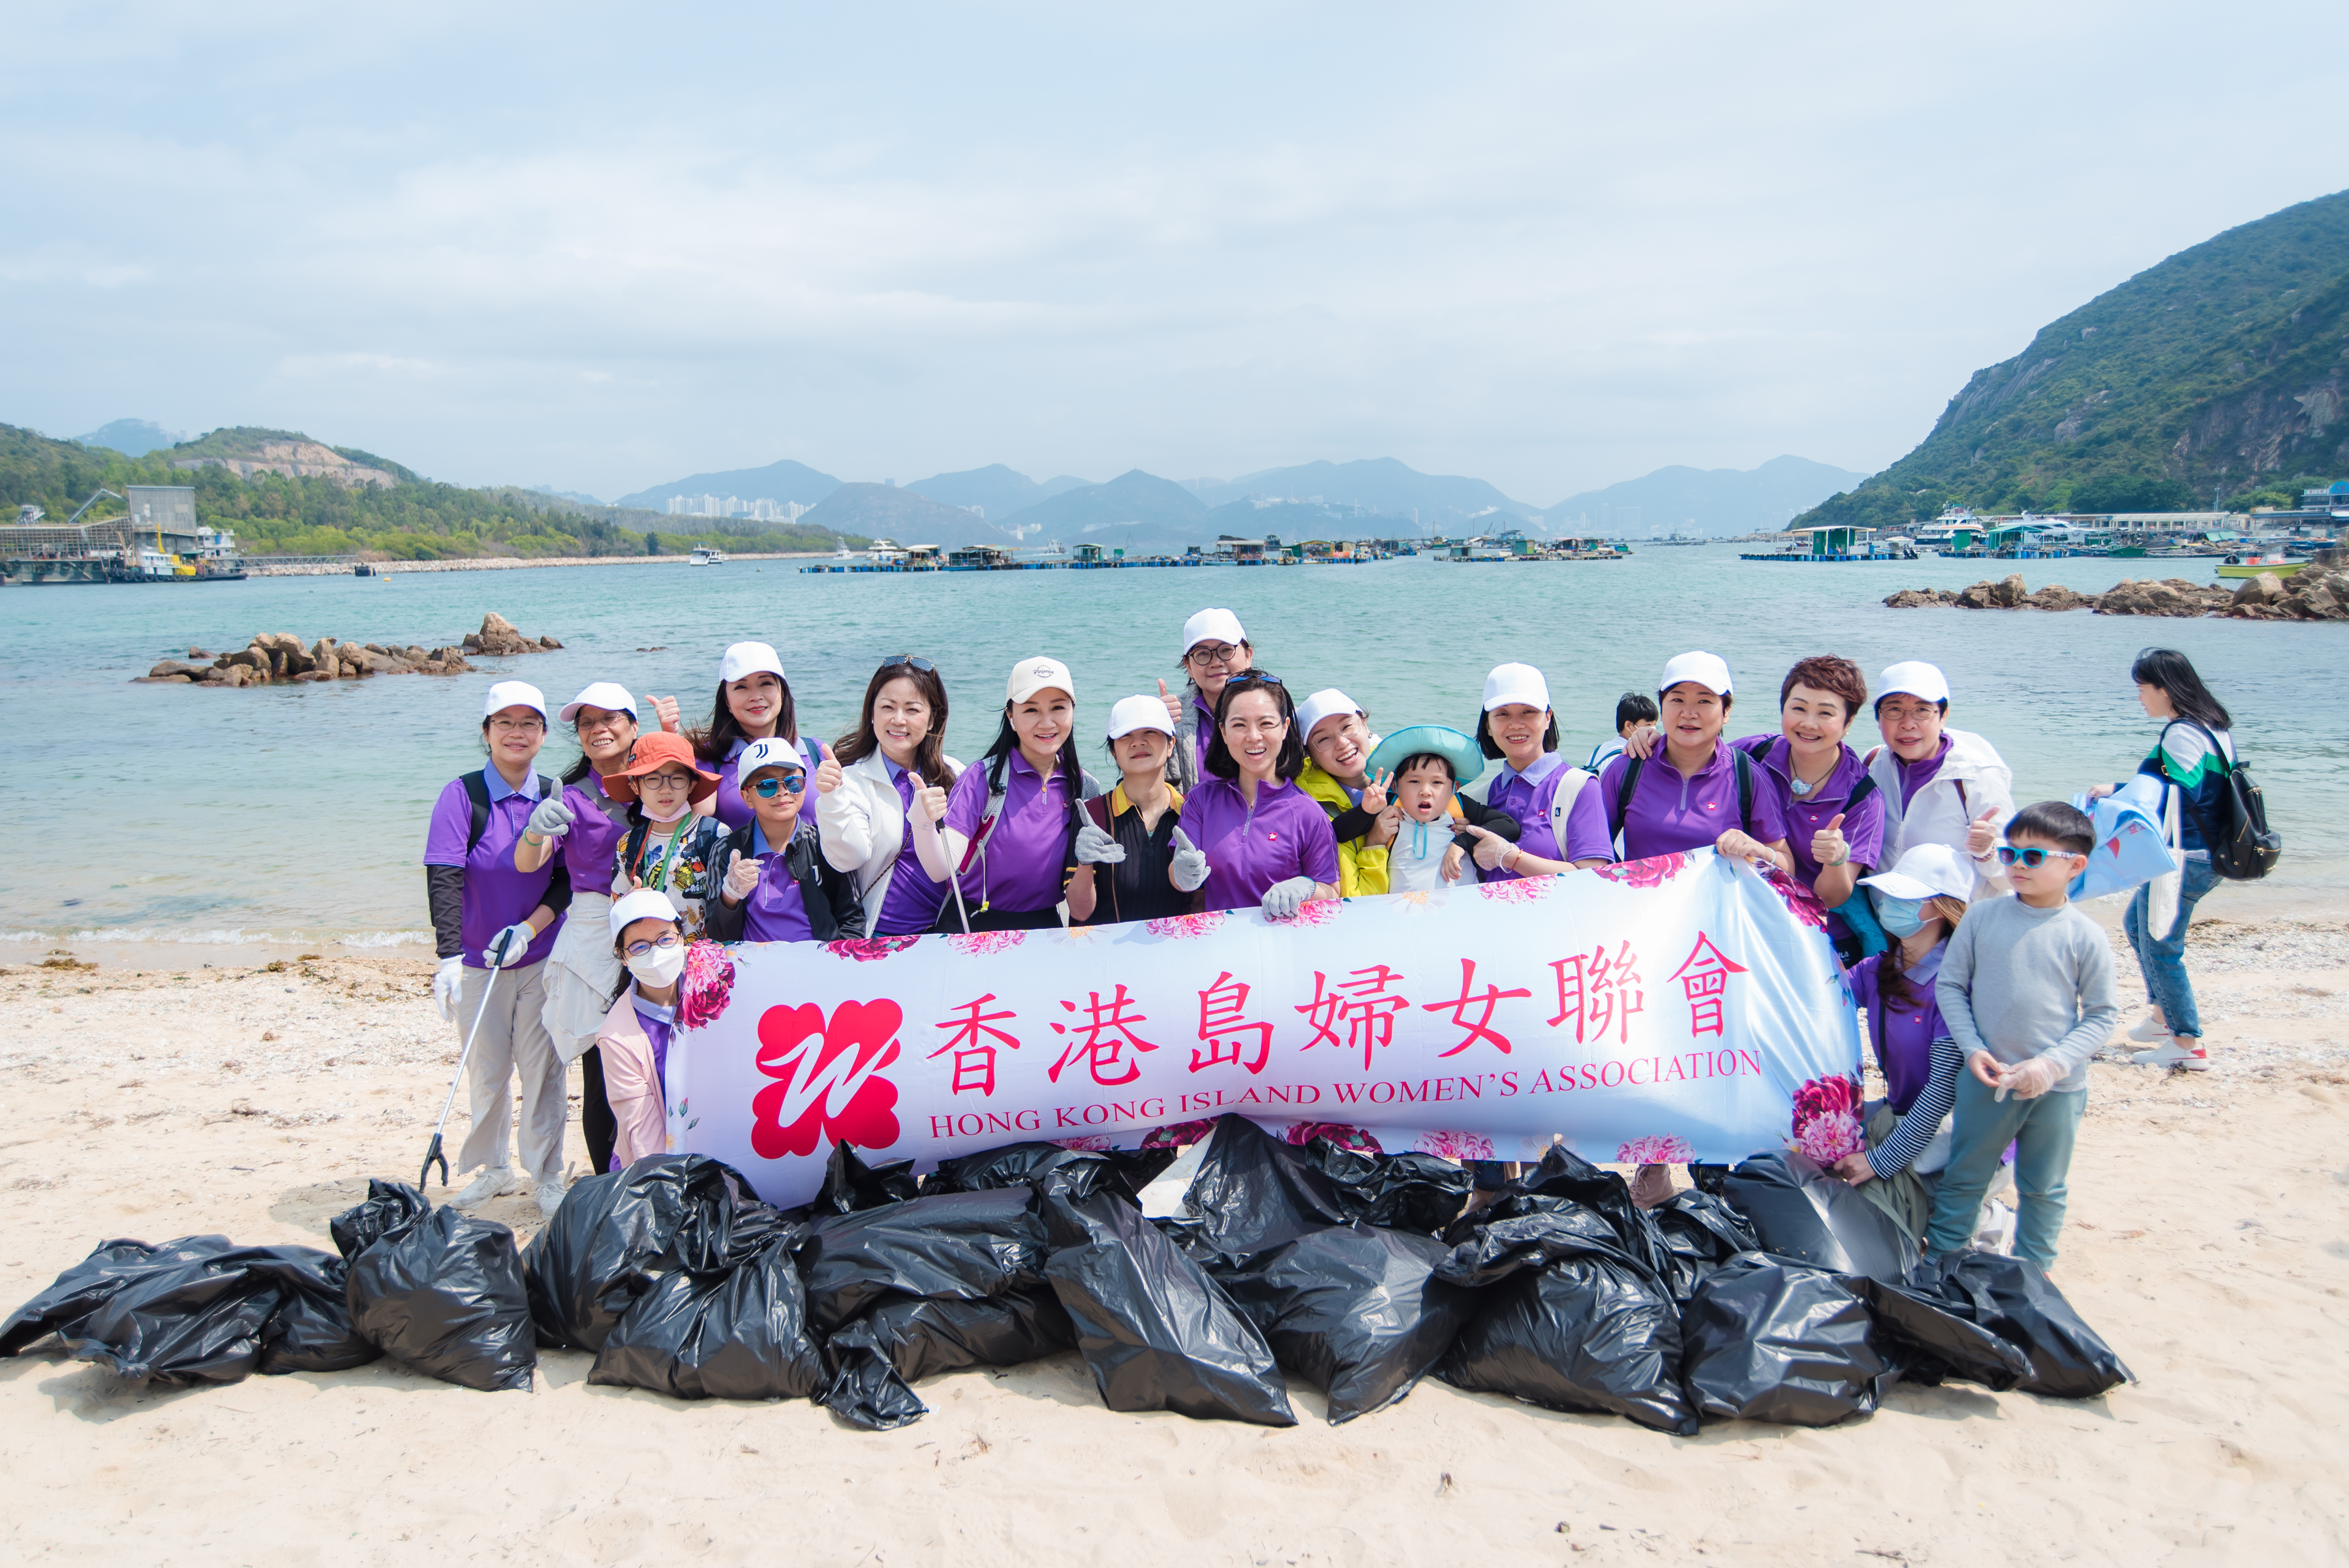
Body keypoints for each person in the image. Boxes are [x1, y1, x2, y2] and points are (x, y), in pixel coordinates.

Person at [1923, 801, 2119, 1272]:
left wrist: (2050, 1065)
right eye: (2010, 854)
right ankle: (1942, 1265)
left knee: (2043, 1186)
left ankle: (2034, 1277)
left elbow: (2101, 1016)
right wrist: (1973, 1049)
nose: (2015, 865)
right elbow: (1950, 985)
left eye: (2033, 857)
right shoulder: (1981, 916)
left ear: (2075, 864)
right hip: (1986, 1079)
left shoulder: (2085, 935)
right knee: (1965, 1176)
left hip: (2058, 1088)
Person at [420, 681, 576, 1218]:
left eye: (528, 722)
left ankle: (548, 1174)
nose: (517, 732)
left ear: (543, 733)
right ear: (486, 733)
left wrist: (530, 930)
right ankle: (495, 1168)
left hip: (540, 956)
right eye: (504, 722)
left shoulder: (555, 792)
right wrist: (447, 958)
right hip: (477, 960)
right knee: (487, 1069)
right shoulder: (462, 795)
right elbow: (443, 876)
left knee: (544, 1069)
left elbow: (565, 881)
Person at [512, 682, 681, 1177]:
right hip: (592, 933)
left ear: (633, 727)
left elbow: (696, 815)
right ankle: (609, 1185)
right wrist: (536, 827)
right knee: (601, 1064)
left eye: (610, 719)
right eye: (586, 722)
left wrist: (671, 734)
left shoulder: (655, 779)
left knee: (666, 1053)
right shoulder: (568, 792)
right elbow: (531, 864)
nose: (598, 729)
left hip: (659, 925)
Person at [2090, 647, 2237, 1073]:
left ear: (2165, 689)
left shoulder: (2183, 734)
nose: (2139, 697)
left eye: (2142, 688)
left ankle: (2186, 1041)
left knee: (2160, 943)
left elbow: (2179, 796)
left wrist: (2120, 795)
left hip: (2185, 856)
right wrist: (2120, 790)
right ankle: (2160, 1018)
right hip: (2204, 852)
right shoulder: (2210, 726)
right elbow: (2189, 790)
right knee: (2136, 923)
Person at [1829, 844, 1974, 1238]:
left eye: (1904, 897)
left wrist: (1878, 1161)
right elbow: (1826, 993)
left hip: (1953, 1129)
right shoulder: (1882, 967)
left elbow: (1941, 1094)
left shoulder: (1956, 986)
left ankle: (1986, 1217)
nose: (1888, 904)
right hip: (1900, 1110)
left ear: (1941, 908)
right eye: (1887, 894)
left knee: (1876, 1215)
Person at [917, 657, 1101, 932]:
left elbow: (1081, 894)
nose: (1047, 722)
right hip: (973, 920)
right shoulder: (982, 778)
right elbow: (941, 869)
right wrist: (921, 822)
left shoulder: (1084, 786)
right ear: (1011, 716)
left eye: (1058, 708)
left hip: (1045, 924)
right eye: (1031, 710)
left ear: (1072, 712)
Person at [1730, 655, 1889, 962]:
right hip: (1748, 922)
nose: (1808, 723)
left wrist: (1836, 859)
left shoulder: (1863, 797)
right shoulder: (1752, 754)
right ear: (1783, 708)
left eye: (1826, 713)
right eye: (1798, 708)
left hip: (1821, 936)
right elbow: (1691, 754)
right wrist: (1647, 739)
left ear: (1848, 722)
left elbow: (1832, 897)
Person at [1596, 652, 1792, 871]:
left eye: (1704, 701)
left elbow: (1786, 865)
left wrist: (1760, 852)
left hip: (1718, 906)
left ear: (1726, 712)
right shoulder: (1626, 769)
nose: (1689, 713)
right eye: (1677, 699)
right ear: (1661, 709)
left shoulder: (1748, 777)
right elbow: (1591, 850)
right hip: (1640, 903)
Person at [814, 656, 962, 938]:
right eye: (887, 707)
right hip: (880, 935)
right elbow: (848, 858)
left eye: (912, 709)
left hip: (949, 934)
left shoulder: (956, 775)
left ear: (933, 718)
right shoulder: (852, 781)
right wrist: (831, 797)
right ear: (871, 713)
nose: (898, 720)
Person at [1172, 673, 1340, 918]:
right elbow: (1178, 879)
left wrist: (1306, 887)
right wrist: (1182, 872)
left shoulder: (1309, 813)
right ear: (1224, 731)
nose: (1253, 736)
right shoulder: (1201, 800)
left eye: (1266, 723)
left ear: (1285, 728)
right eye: (1239, 724)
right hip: (1219, 941)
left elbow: (1332, 891)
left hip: (1285, 940)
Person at [1867, 661, 2013, 899]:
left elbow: (2011, 876)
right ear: (1879, 718)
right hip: (1887, 924)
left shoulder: (1977, 776)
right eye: (1893, 710)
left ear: (1943, 716)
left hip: (1957, 927)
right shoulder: (1873, 763)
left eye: (1922, 710)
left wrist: (1987, 852)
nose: (1907, 723)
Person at [704, 738, 865, 942]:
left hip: (819, 963)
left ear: (805, 788)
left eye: (793, 782)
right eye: (766, 786)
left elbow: (852, 919)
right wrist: (730, 895)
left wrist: (836, 964)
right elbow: (717, 937)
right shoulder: (727, 850)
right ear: (746, 798)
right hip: (753, 966)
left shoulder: (825, 843)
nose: (782, 791)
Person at [1474, 662, 1608, 879]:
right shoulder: (1479, 797)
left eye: (1529, 712)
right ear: (1488, 725)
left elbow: (1594, 877)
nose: (1516, 724)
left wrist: (1510, 857)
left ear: (1548, 718)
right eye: (1502, 714)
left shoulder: (1579, 787)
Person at [1069, 696, 1194, 925]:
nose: (1138, 742)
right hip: (1107, 956)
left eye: (1151, 732)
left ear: (1170, 745)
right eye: (1126, 736)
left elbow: (1201, 900)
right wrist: (1085, 864)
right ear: (1114, 752)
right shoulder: (1092, 815)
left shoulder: (1191, 813)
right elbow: (1079, 912)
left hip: (1175, 952)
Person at [592, 887, 690, 1172]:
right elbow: (646, 1141)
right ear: (623, 957)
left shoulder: (713, 979)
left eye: (665, 938)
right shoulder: (619, 1038)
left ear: (681, 936)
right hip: (660, 1171)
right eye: (639, 947)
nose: (657, 952)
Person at [607, 732, 728, 939]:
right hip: (653, 957)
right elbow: (617, 910)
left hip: (706, 960)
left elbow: (733, 904)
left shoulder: (716, 834)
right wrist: (630, 901)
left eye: (677, 778)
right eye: (653, 779)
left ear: (692, 784)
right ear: (635, 786)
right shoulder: (628, 844)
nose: (665, 789)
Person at [691, 641, 815, 831]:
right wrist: (671, 742)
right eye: (741, 687)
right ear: (727, 702)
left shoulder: (816, 751)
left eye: (766, 683)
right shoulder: (709, 759)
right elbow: (691, 823)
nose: (756, 696)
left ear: (783, 692)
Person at [1357, 726, 1498, 892]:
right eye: (1414, 782)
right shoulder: (1390, 806)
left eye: (1437, 782)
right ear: (1395, 787)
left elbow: (1508, 825)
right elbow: (1340, 832)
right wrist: (1365, 811)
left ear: (1454, 788)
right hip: (1403, 911)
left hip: (1461, 908)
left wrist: (1464, 841)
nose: (1425, 791)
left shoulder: (1459, 806)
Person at [1293, 688, 1392, 896]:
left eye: (1347, 727)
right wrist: (1375, 842)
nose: (1342, 743)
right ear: (1309, 754)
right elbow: (1356, 900)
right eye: (1323, 740)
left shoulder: (1407, 773)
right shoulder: (1313, 811)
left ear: (1364, 724)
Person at [1161, 608, 1255, 791]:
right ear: (1188, 665)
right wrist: (1154, 731)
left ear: (1248, 656)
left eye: (1226, 650)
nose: (1216, 662)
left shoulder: (1278, 711)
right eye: (1203, 653)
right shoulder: (1172, 718)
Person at [1584, 691, 1659, 772]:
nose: (1653, 730)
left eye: (1655, 725)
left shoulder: (1599, 750)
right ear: (1629, 726)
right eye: (1648, 725)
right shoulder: (1628, 756)